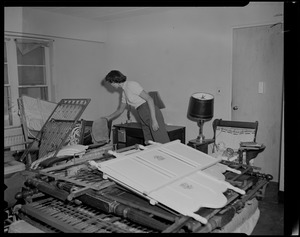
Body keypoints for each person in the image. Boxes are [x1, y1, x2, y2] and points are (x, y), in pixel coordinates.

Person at [103, 70, 170, 144]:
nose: (111, 85)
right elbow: (120, 110)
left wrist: (154, 120)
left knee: (161, 142)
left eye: (110, 82)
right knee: (149, 143)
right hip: (141, 113)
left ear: (114, 80)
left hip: (150, 111)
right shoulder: (124, 92)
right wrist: (108, 117)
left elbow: (150, 99)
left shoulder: (131, 85)